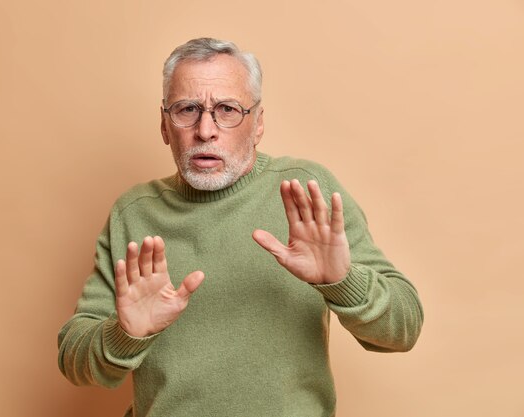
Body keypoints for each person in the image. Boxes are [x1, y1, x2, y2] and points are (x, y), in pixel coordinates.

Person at [58, 37, 423, 417]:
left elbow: (404, 329)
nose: (205, 130)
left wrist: (343, 281)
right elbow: (74, 360)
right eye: (187, 109)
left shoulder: (306, 191)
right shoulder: (133, 214)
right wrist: (126, 335)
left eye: (227, 109)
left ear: (258, 123)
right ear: (165, 125)